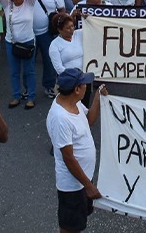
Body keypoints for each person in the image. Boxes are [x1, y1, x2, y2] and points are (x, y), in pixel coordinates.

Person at [45, 68, 108, 233]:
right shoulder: (61, 118)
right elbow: (68, 158)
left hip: (83, 179)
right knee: (69, 227)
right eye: (84, 83)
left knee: (78, 222)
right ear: (77, 90)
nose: (88, 85)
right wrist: (88, 186)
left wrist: (97, 97)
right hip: (73, 186)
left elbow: (89, 120)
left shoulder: (74, 102)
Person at [2, 0, 37, 110]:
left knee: (29, 71)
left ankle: (31, 97)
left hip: (28, 42)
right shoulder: (7, 4)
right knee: (14, 72)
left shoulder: (30, 2)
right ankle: (16, 96)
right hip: (11, 43)